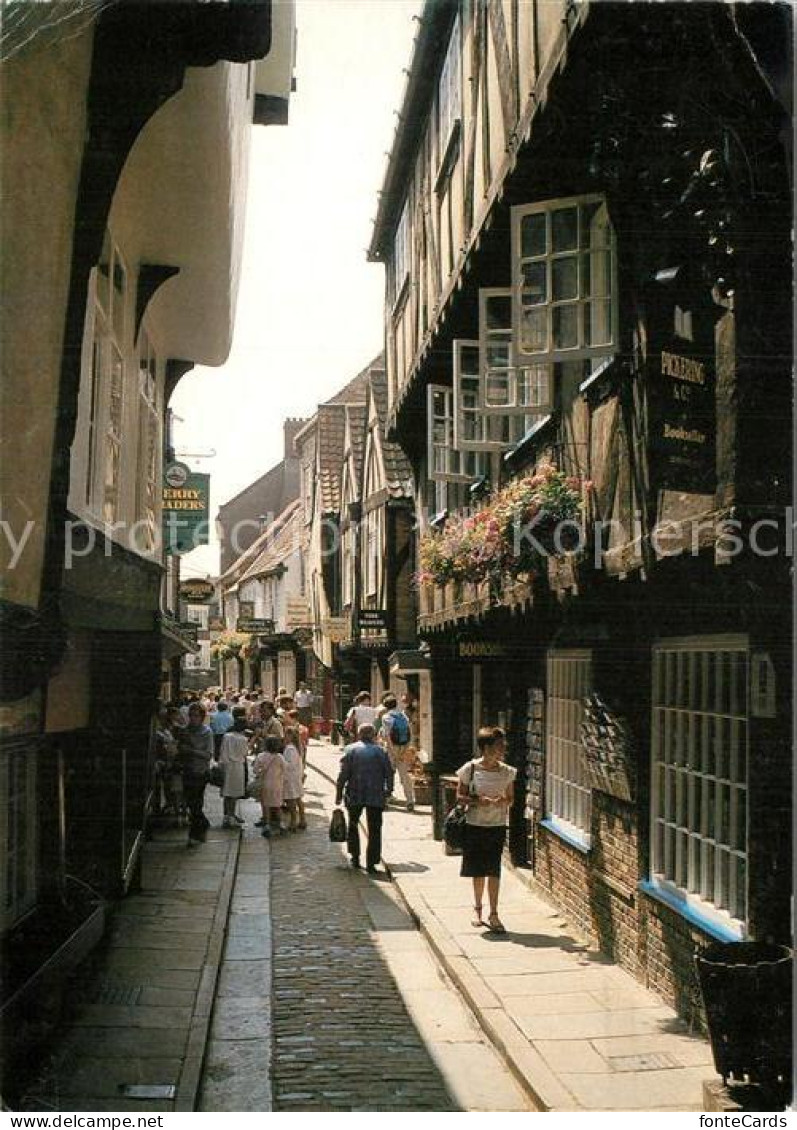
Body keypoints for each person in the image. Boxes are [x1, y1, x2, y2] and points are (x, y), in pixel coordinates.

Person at [456, 726, 517, 933]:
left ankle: (494, 913)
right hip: (475, 825)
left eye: (503, 745)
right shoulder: (470, 769)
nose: (503, 749)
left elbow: (511, 799)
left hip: (496, 826)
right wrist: (477, 801)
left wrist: (503, 801)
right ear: (486, 747)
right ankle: (477, 908)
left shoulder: (507, 772)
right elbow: (460, 796)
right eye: (499, 745)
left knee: (494, 869)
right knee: (477, 870)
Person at [335, 723, 394, 875]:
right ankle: (371, 862)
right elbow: (389, 772)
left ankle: (355, 857)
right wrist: (389, 790)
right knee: (375, 829)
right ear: (373, 735)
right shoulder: (381, 751)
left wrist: (338, 793)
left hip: (355, 793)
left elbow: (343, 774)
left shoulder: (350, 750)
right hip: (375, 793)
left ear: (359, 734)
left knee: (353, 825)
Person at [177, 702, 214, 846]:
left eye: (196, 716)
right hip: (187, 771)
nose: (193, 719)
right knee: (190, 804)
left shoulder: (207, 732)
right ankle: (202, 825)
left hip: (200, 772)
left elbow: (208, 755)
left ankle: (195, 834)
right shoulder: (184, 731)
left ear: (202, 717)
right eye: (191, 716)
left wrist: (191, 751)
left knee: (196, 804)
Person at [380, 694, 415, 811]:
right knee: (405, 776)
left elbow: (387, 736)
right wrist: (405, 750)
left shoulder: (386, 717)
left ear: (385, 706)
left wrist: (393, 753)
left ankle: (385, 799)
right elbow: (410, 735)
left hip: (391, 749)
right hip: (404, 748)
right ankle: (410, 800)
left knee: (387, 774)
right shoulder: (403, 716)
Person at [218, 706, 249, 828]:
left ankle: (226, 816)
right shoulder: (243, 739)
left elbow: (222, 751)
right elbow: (245, 753)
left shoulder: (227, 736)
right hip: (238, 767)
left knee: (227, 793)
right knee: (234, 794)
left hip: (227, 766)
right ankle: (231, 815)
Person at [252, 735, 286, 837]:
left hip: (265, 784)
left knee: (266, 805)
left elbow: (255, 770)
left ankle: (266, 824)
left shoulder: (261, 756)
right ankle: (280, 823)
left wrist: (260, 773)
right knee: (277, 805)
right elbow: (285, 769)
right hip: (277, 784)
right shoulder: (280, 757)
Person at [281, 726, 306, 831]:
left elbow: (289, 764)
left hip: (290, 778)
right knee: (298, 798)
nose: (284, 737)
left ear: (290, 736)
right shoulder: (297, 747)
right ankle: (302, 820)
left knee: (291, 800)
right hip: (296, 776)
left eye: (286, 734)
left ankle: (293, 822)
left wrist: (281, 763)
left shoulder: (290, 748)